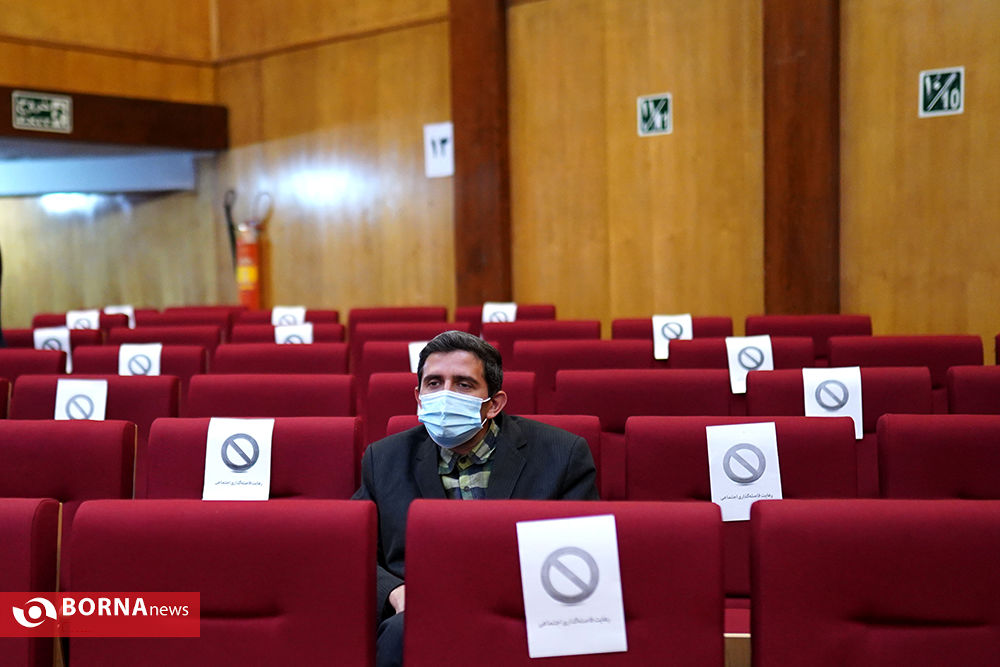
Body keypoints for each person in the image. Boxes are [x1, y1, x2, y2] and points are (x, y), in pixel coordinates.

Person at [352, 330, 599, 667]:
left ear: (494, 404)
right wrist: (395, 593)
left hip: (525, 607)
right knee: (398, 634)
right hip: (421, 609)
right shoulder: (383, 459)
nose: (446, 394)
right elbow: (353, 550)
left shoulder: (562, 454)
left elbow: (583, 553)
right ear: (419, 397)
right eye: (434, 383)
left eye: (464, 384)